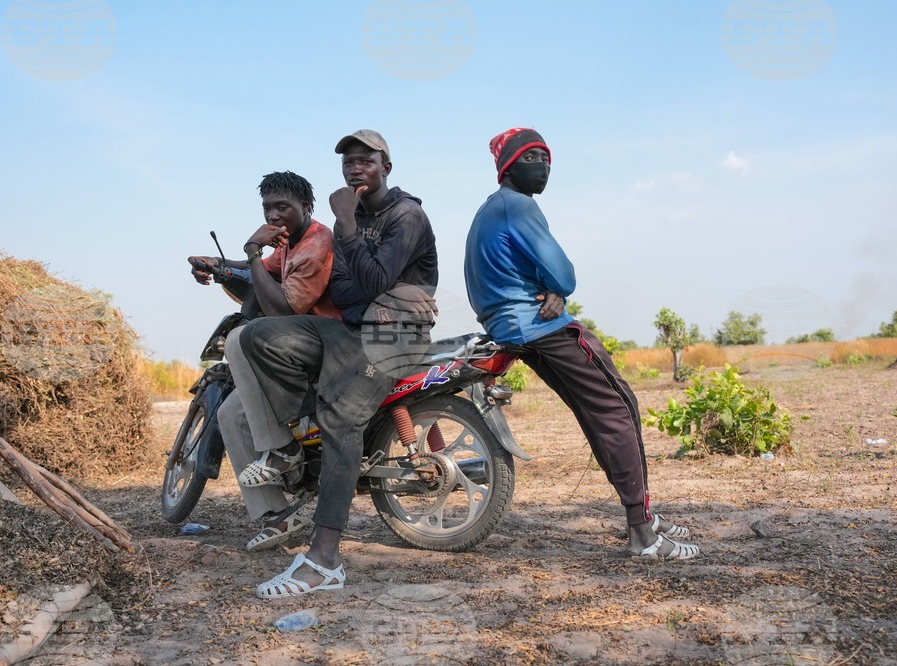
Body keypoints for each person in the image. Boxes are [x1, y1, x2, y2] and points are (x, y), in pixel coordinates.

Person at [463, 128, 699, 560]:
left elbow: (531, 279)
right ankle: (643, 533)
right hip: (539, 326)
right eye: (534, 158)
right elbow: (565, 274)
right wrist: (557, 287)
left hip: (510, 327)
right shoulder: (518, 206)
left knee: (597, 410)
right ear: (509, 167)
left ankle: (643, 512)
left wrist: (551, 287)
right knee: (618, 408)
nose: (545, 167)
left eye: (548, 159)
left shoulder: (488, 210)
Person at [237, 129, 439, 597]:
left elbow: (369, 279)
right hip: (357, 326)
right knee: (260, 336)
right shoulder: (350, 219)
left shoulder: (405, 215)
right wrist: (383, 287)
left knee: (341, 420)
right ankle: (292, 440)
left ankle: (324, 561)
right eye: (348, 161)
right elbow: (349, 290)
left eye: (365, 160)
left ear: (386, 166)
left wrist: (348, 225)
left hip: (397, 333)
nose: (354, 167)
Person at [187, 171, 340, 552]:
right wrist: (217, 263)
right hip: (293, 346)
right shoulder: (287, 244)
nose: (273, 216)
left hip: (321, 349)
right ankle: (275, 514)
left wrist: (255, 250)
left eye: (282, 208)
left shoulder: (316, 244)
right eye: (267, 208)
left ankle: (281, 447)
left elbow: (282, 309)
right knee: (229, 416)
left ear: (306, 207)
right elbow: (256, 271)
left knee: (242, 337)